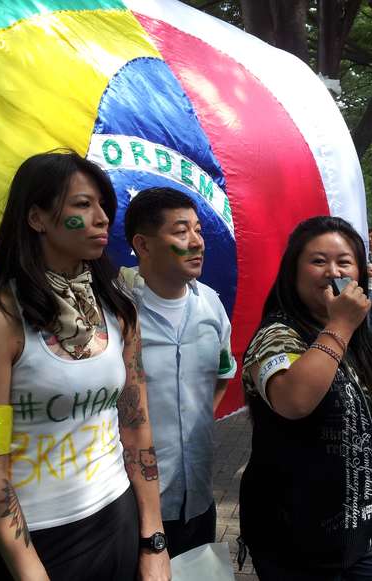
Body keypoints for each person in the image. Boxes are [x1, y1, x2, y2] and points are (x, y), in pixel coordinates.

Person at [0, 151, 170, 580]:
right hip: (36, 538)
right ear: (37, 218)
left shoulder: (119, 309)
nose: (101, 218)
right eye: (82, 205)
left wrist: (154, 539)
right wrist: (28, 569)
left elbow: (135, 426)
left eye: (103, 207)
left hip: (118, 518)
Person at [239, 216, 372, 580]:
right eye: (317, 261)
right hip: (297, 542)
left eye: (344, 262)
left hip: (365, 533)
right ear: (292, 272)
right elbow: (294, 400)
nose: (333, 272)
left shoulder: (361, 341)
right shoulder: (277, 335)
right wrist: (339, 325)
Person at [120, 187, 237, 557]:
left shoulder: (211, 307)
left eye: (198, 230)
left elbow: (222, 373)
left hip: (199, 499)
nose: (197, 242)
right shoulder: (117, 313)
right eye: (181, 231)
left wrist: (194, 417)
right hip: (130, 504)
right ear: (143, 243)